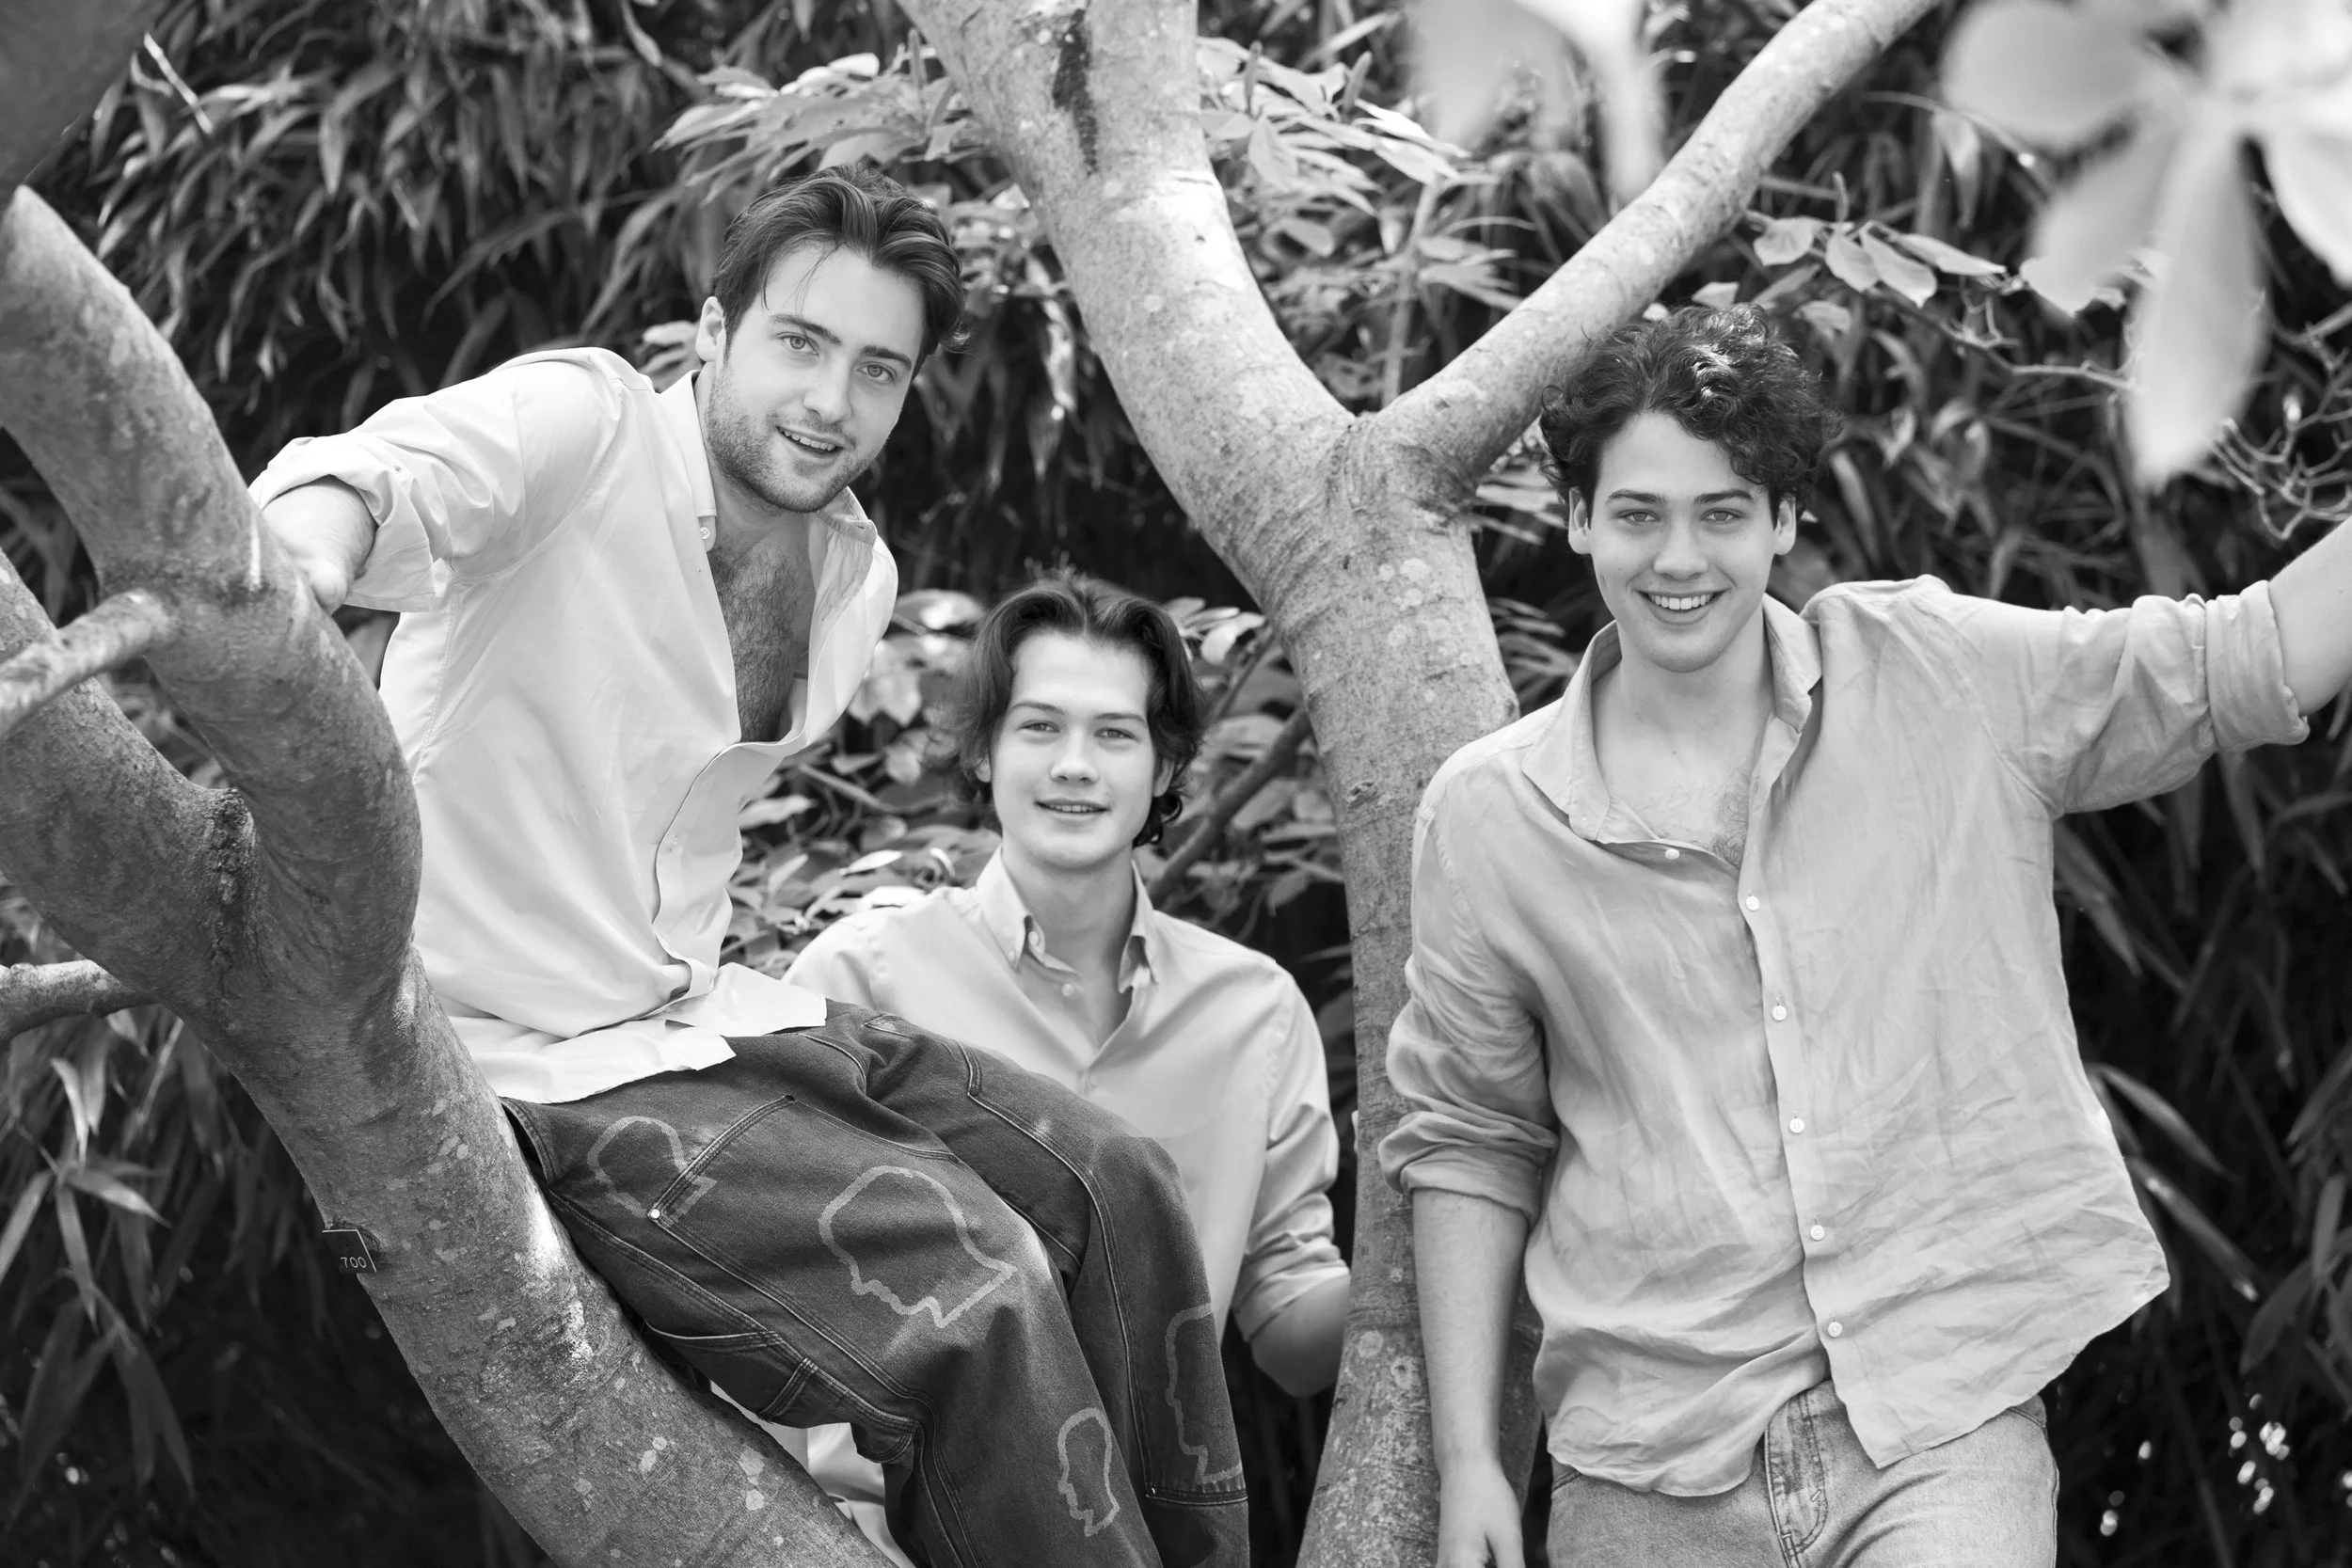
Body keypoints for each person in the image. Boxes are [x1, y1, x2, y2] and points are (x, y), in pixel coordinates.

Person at [251, 165, 1247, 1568]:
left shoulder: (856, 580)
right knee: (975, 1292)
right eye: (800, 342)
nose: (831, 400)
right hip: (519, 1063)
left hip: (702, 1014)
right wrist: (299, 565)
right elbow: (365, 470)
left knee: (1121, 1183)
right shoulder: (582, 429)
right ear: (714, 334)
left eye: (877, 368)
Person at [1382, 305, 2352, 1568]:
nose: (1680, 554)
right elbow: (1469, 1140)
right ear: (1577, 519)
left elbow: (2253, 658)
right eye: (1638, 512)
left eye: (1725, 509)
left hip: (1938, 1426)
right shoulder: (1488, 815)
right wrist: (1470, 1464)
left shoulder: (1936, 673)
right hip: (1648, 1460)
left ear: (1785, 520)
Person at [784, 575, 1353, 1561]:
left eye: (1116, 734)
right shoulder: (854, 981)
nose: (1074, 767)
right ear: (982, 748)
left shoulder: (1253, 1012)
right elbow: (768, 1283)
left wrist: (1443, 1231)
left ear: (1166, 759)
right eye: (1040, 727)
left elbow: (1291, 1333)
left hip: (1145, 1538)